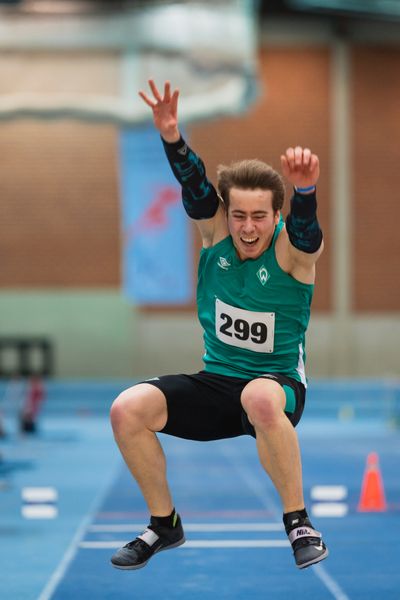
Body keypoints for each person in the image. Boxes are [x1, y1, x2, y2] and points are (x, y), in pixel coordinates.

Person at [110, 80, 328, 571]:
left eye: (259, 217)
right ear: (226, 216)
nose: (247, 228)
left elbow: (308, 231)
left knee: (258, 395)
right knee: (127, 409)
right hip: (216, 383)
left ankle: (299, 522)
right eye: (238, 216)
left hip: (277, 389)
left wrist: (306, 191)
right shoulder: (215, 235)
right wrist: (171, 136)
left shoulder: (293, 255)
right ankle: (163, 524)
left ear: (276, 217)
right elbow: (196, 187)